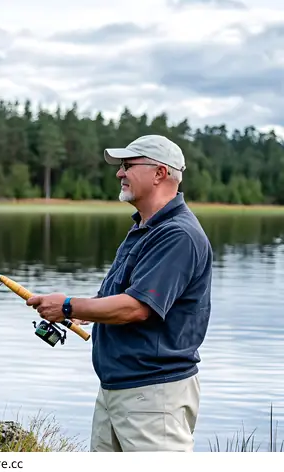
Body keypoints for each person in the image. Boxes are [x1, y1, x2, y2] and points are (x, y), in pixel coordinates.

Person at [26, 134, 213, 452]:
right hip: (118, 390)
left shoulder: (178, 234)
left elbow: (137, 307)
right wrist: (85, 310)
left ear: (159, 173)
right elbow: (125, 297)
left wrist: (68, 307)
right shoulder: (144, 227)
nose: (119, 173)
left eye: (128, 165)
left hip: (154, 395)